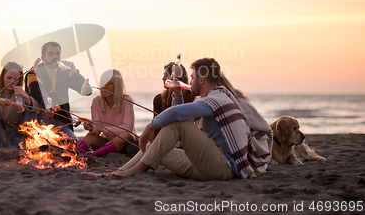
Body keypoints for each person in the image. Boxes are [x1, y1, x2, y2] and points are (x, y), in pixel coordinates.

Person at [85, 58, 271, 180]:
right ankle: (115, 174)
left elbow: (176, 117)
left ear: (202, 80)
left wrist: (150, 128)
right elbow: (186, 126)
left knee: (176, 122)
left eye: (192, 77)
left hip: (223, 167)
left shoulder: (218, 98)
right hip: (206, 164)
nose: (189, 81)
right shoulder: (211, 99)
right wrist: (178, 97)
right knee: (153, 147)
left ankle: (135, 171)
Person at [0, 62, 43, 152]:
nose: (12, 81)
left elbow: (37, 110)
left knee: (31, 112)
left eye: (15, 79)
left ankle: (27, 146)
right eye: (9, 78)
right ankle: (3, 146)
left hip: (15, 141)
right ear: (2, 77)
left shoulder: (20, 94)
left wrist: (26, 97)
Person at [34, 42, 92, 138]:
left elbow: (87, 92)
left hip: (62, 120)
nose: (55, 57)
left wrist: (75, 73)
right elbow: (38, 93)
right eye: (51, 54)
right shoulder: (35, 74)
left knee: (72, 142)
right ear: (43, 58)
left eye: (58, 54)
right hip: (40, 118)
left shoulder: (65, 74)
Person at [77, 69, 137, 157]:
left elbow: (127, 128)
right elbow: (97, 129)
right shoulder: (97, 101)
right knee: (90, 136)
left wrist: (103, 128)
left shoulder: (126, 100)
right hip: (108, 142)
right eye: (102, 83)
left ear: (117, 86)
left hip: (127, 142)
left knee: (125, 135)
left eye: (108, 84)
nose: (104, 87)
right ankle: (72, 153)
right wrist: (91, 127)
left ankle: (92, 155)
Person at [153, 62, 196, 137]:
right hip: (163, 138)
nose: (163, 78)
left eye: (166, 76)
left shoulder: (190, 97)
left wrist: (176, 82)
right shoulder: (158, 99)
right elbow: (157, 129)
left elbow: (173, 108)